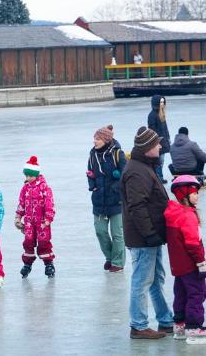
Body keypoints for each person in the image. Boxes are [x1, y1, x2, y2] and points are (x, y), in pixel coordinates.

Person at [121, 126, 174, 339]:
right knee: (142, 280)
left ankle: (165, 319)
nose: (160, 146)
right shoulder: (136, 171)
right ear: (147, 148)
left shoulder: (144, 166)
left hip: (151, 236)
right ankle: (139, 325)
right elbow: (137, 207)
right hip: (143, 238)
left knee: (155, 278)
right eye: (156, 144)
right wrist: (149, 233)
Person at [165, 175, 206, 344]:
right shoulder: (187, 216)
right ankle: (194, 329)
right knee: (196, 294)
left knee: (181, 294)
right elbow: (192, 243)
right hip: (191, 264)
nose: (198, 196)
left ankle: (180, 326)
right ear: (184, 195)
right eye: (195, 193)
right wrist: (201, 262)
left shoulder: (173, 212)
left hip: (178, 265)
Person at [86, 125, 127, 273]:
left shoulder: (117, 154)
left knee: (117, 234)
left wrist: (115, 187)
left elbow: (125, 174)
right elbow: (89, 172)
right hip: (99, 200)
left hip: (116, 200)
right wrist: (93, 186)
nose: (94, 141)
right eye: (94, 138)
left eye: (98, 139)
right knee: (100, 231)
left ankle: (117, 262)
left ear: (106, 139)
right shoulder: (93, 154)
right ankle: (110, 257)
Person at [15, 156, 56, 279]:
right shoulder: (25, 188)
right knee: (28, 242)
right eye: (26, 176)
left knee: (44, 242)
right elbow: (21, 203)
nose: (27, 178)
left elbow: (49, 204)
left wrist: (48, 218)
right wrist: (18, 217)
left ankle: (48, 263)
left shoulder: (44, 188)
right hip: (29, 222)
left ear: (36, 175)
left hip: (42, 222)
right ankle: (27, 264)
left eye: (30, 176)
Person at [148, 95, 171, 183]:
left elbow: (165, 128)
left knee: (161, 160)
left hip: (163, 140)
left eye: (163, 102)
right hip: (157, 142)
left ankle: (159, 177)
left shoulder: (161, 113)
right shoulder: (152, 115)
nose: (162, 104)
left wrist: (168, 137)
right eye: (160, 102)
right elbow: (151, 130)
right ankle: (158, 178)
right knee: (158, 160)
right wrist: (155, 141)